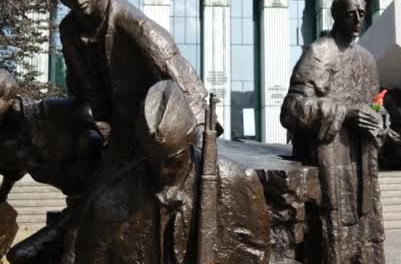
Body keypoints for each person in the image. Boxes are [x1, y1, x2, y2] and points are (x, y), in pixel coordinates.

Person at [41, 0, 209, 162]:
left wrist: (200, 138)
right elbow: (80, 88)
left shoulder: (131, 22)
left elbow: (184, 80)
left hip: (157, 132)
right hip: (117, 133)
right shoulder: (69, 30)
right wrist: (94, 120)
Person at [73, 81, 271, 263]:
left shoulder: (237, 183)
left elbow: (256, 256)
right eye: (151, 161)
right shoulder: (109, 201)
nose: (161, 171)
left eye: (172, 161)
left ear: (191, 141)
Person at [280, 0, 385, 263]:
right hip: (328, 160)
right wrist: (345, 112)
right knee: (330, 236)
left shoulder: (367, 60)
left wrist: (379, 119)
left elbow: (376, 106)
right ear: (336, 16)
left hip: (362, 161)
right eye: (351, 13)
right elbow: (291, 109)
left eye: (362, 13)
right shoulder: (319, 52)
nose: (358, 20)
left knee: (365, 235)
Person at [0, 69, 103, 263]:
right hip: (76, 208)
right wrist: (0, 197)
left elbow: (103, 131)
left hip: (104, 198)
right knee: (20, 256)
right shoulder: (5, 145)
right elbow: (11, 171)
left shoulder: (59, 112)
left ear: (9, 97)